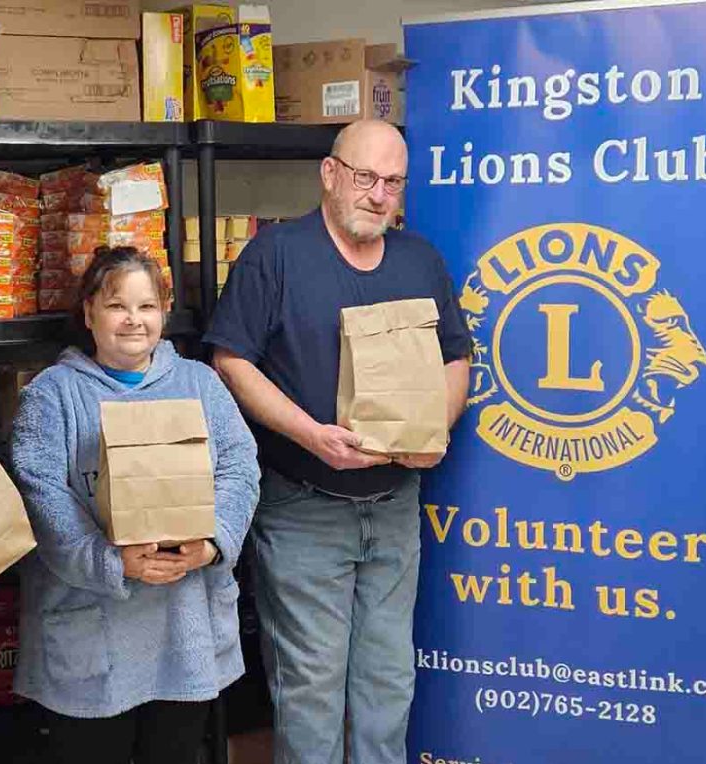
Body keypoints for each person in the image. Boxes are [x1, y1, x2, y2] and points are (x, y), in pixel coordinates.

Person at [203, 119, 473, 764]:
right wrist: (311, 434)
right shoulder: (275, 255)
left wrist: (437, 428)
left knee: (388, 684)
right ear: (329, 174)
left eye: (393, 183)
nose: (378, 195)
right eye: (365, 177)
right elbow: (230, 362)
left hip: (395, 504)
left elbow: (456, 358)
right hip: (304, 507)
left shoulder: (419, 259)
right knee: (310, 692)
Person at [9, 247, 260, 764]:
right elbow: (41, 496)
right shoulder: (52, 396)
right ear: (89, 313)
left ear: (164, 312)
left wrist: (212, 543)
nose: (133, 320)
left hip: (184, 629)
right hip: (92, 638)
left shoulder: (200, 384)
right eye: (117, 305)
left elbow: (241, 467)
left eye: (147, 307)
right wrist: (112, 561)